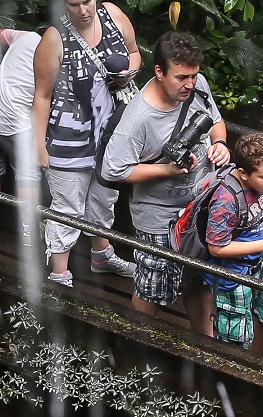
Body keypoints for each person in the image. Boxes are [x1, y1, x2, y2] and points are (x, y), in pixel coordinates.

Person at [97, 31, 229, 319]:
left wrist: (219, 144)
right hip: (160, 219)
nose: (190, 84)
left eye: (194, 76)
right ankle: (139, 348)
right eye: (181, 77)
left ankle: (202, 349)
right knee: (153, 288)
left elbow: (216, 123)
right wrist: (168, 170)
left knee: (200, 280)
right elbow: (113, 169)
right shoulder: (138, 119)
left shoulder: (198, 86)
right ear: (159, 71)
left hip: (199, 209)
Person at [34, 0, 143, 286]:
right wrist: (38, 145)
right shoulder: (55, 39)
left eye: (87, 1)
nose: (83, 10)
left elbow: (135, 55)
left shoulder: (113, 16)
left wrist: (127, 75)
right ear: (63, 5)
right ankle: (59, 274)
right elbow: (41, 96)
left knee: (102, 199)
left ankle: (101, 256)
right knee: (68, 205)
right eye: (74, 5)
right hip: (69, 137)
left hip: (109, 135)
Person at [197, 131, 263, 347]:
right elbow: (216, 248)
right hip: (232, 275)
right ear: (243, 174)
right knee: (235, 336)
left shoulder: (259, 183)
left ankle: (258, 363)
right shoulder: (226, 201)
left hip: (258, 261)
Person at [0, 25, 45, 240]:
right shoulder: (56, 60)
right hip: (15, 122)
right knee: (27, 174)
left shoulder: (28, 36)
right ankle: (29, 230)